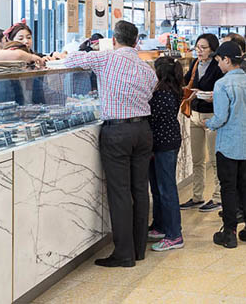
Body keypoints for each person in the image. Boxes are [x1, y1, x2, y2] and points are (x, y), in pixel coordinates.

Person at [64, 21, 157, 268]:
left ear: (114, 40)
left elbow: (69, 61)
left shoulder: (105, 59)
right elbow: (150, 93)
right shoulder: (147, 68)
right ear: (136, 42)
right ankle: (139, 249)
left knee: (120, 193)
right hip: (142, 130)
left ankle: (124, 254)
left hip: (117, 131)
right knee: (140, 189)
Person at [207, 41, 246, 249]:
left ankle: (229, 233)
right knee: (245, 185)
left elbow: (221, 117)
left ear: (227, 60)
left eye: (219, 60)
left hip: (228, 144)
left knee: (228, 188)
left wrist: (208, 123)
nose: (218, 64)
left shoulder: (222, 84)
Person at [179, 33, 224, 213]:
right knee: (197, 159)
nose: (199, 50)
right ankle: (197, 196)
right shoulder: (195, 64)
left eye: (203, 48)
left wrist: (207, 94)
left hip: (212, 115)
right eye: (197, 47)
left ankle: (218, 197)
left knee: (214, 159)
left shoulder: (218, 66)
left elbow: (221, 91)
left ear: (212, 49)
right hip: (195, 114)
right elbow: (187, 82)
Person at [147, 57, 185, 252]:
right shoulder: (174, 89)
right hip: (164, 143)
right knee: (158, 187)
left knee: (166, 189)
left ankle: (174, 234)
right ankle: (160, 225)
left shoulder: (162, 93)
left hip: (164, 145)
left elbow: (152, 118)